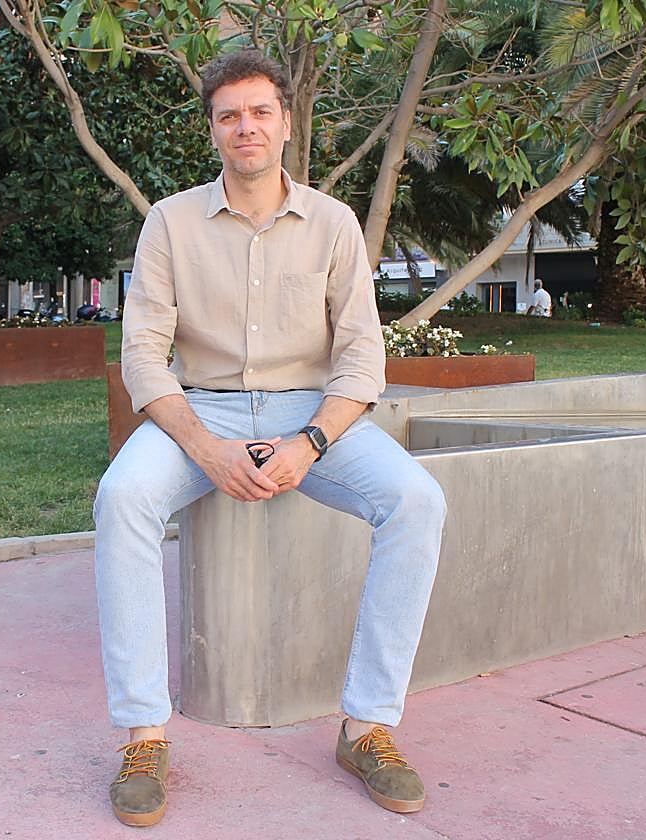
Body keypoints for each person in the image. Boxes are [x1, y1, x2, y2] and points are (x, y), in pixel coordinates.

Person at [94, 50, 446, 827]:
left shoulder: (332, 223)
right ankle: (144, 734)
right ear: (213, 130)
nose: (244, 127)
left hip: (309, 414)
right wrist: (207, 449)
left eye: (259, 112)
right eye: (229, 116)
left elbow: (361, 356)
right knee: (122, 498)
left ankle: (367, 727)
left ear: (285, 123)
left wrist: (310, 444)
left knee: (416, 500)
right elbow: (144, 357)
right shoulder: (169, 223)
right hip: (203, 412)